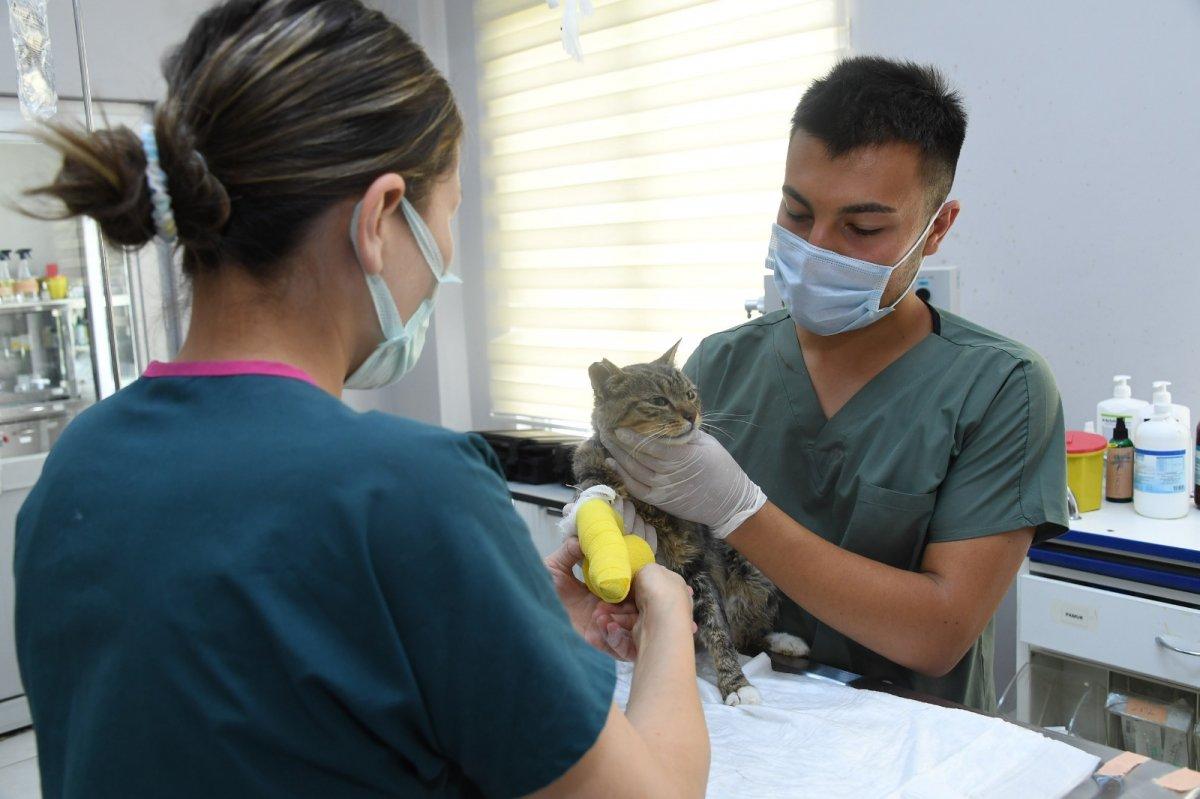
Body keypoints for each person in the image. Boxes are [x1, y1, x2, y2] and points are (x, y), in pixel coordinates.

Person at [13, 2, 707, 797]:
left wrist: (514, 627)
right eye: (446, 218)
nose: (445, 263)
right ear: (380, 218)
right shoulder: (408, 489)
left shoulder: (75, 467)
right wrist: (669, 616)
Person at [603, 57, 1067, 712]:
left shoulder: (1001, 389)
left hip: (908, 750)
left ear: (937, 227)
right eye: (797, 213)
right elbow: (672, 565)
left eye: (863, 227)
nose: (817, 247)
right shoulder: (718, 365)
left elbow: (938, 633)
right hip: (735, 723)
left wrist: (740, 509)